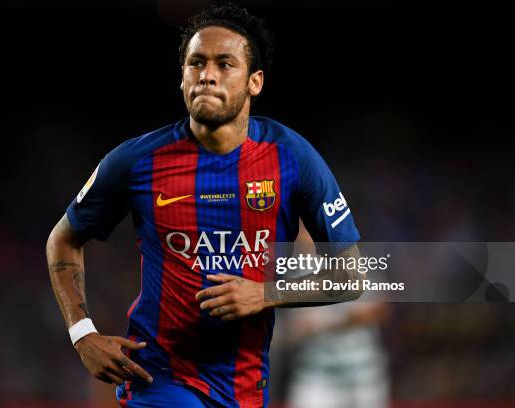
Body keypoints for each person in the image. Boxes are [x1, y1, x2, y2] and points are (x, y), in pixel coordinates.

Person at [46, 3, 361, 407]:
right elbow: (63, 239)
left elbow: (351, 272)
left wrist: (265, 294)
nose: (207, 75)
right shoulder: (136, 160)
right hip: (159, 379)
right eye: (196, 63)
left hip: (247, 387)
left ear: (255, 82)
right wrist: (82, 332)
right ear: (182, 79)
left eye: (224, 64)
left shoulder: (292, 158)